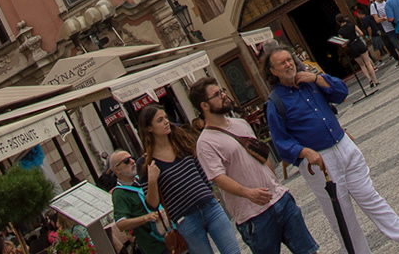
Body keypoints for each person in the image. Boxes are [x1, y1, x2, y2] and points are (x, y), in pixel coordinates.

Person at [245, 52, 399, 254]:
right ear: (273, 71)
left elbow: (341, 93)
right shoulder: (275, 102)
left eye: (289, 60)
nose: (288, 64)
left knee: (370, 196)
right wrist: (303, 152)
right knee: (342, 215)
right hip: (320, 161)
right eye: (282, 63)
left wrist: (317, 78)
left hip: (343, 146)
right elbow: (281, 143)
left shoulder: (310, 81)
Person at [192, 77, 320, 254]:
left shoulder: (241, 124)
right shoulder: (205, 143)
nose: (223, 95)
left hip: (280, 200)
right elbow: (218, 179)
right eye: (217, 94)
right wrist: (248, 193)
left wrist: (274, 182)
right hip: (253, 215)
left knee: (309, 251)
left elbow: (262, 154)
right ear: (204, 106)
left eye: (222, 91)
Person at [139, 104, 240, 254]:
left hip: (210, 207)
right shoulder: (146, 163)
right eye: (160, 120)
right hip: (185, 219)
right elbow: (153, 204)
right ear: (149, 128)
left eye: (165, 117)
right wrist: (152, 180)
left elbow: (202, 172)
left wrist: (210, 195)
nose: (166, 121)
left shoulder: (182, 142)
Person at [109, 151, 169, 254]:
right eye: (126, 161)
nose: (132, 162)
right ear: (117, 170)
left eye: (132, 158)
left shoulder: (141, 179)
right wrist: (146, 218)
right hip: (155, 246)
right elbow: (121, 224)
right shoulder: (119, 193)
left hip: (172, 231)